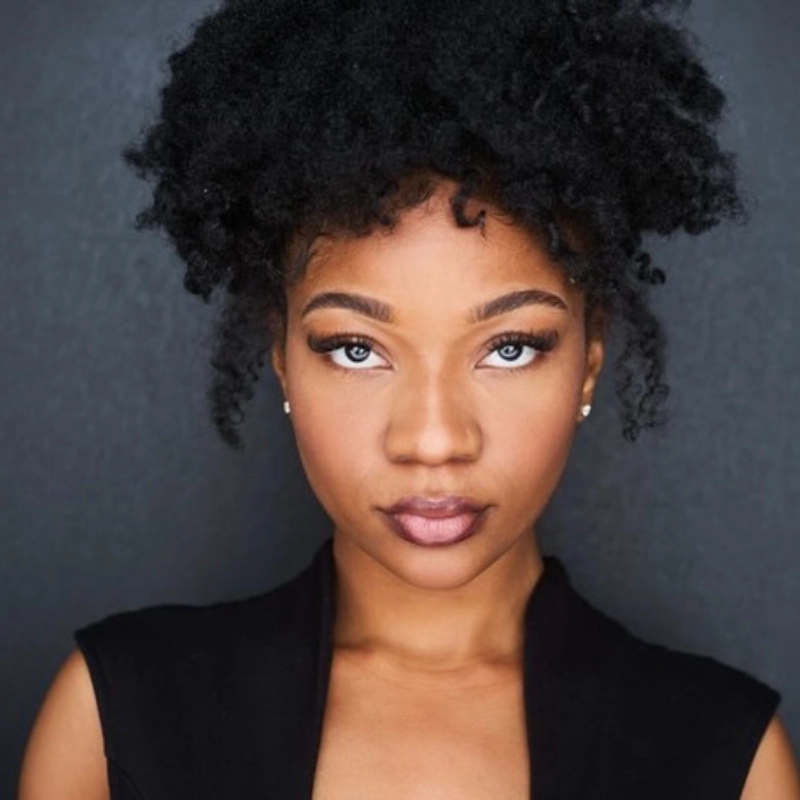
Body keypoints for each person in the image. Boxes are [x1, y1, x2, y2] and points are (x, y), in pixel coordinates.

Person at [17, 0, 800, 798]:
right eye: (355, 349)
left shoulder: (722, 760)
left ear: (590, 361)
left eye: (510, 347)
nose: (433, 439)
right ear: (282, 357)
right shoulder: (116, 723)